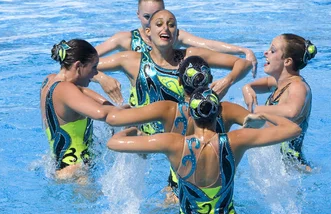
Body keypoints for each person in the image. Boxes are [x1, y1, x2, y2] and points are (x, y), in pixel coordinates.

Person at [107, 87, 301, 214]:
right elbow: (293, 129)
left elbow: (114, 143)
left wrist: (133, 131)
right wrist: (263, 114)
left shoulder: (172, 143)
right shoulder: (236, 140)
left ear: (190, 114)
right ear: (218, 114)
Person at [105, 56, 251, 199]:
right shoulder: (226, 110)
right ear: (210, 80)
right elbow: (261, 125)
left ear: (180, 81)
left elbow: (113, 120)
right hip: (220, 195)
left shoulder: (168, 110)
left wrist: (130, 121)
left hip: (178, 192)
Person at [98, 9, 252, 135]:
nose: (165, 28)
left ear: (177, 34)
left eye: (171, 25)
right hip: (148, 142)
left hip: (188, 139)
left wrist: (228, 81)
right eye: (159, 24)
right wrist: (101, 78)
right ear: (148, 32)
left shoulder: (190, 57)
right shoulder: (132, 61)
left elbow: (243, 63)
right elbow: (81, 66)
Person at [93, 0, 257, 103]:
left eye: (168, 23)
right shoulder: (127, 45)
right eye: (148, 17)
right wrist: (101, 78)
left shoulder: (178, 41)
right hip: (141, 107)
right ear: (139, 17)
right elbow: (79, 61)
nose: (164, 27)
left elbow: (208, 45)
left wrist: (241, 51)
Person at [40, 39, 119, 179]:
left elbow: (102, 103)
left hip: (59, 167)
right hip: (78, 173)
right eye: (93, 67)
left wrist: (102, 79)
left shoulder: (49, 82)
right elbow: (102, 113)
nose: (95, 73)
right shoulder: (65, 89)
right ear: (78, 66)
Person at [242, 34, 317, 169]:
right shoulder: (280, 83)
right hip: (278, 165)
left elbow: (292, 111)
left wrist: (256, 110)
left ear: (287, 61)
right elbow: (256, 85)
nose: (266, 53)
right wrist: (247, 89)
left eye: (272, 50)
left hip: (295, 168)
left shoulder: (298, 87)